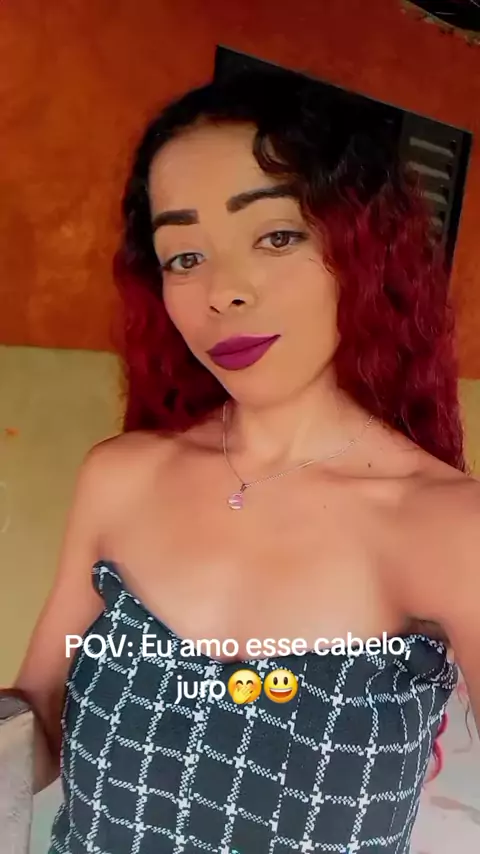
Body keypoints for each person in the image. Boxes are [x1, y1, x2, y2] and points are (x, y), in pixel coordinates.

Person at [11, 64, 480, 853]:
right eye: (183, 256)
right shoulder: (120, 478)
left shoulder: (450, 526)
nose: (222, 292)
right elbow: (38, 723)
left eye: (276, 236)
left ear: (363, 250)